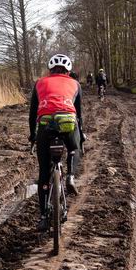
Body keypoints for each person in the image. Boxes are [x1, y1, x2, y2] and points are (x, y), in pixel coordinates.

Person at [29, 54, 85, 232]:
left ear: (50, 70)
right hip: (68, 122)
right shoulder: (75, 84)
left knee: (44, 172)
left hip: (45, 125)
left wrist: (33, 136)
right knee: (75, 148)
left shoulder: (39, 83)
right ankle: (70, 176)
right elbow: (79, 114)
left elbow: (32, 115)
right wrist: (81, 134)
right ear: (68, 71)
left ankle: (44, 216)